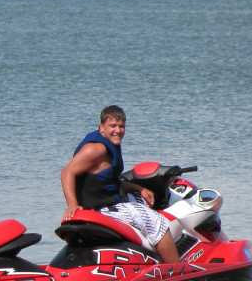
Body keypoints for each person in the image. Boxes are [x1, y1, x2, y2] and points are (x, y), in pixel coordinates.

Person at [60, 105, 181, 264]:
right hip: (104, 209)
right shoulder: (97, 149)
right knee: (158, 223)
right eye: (113, 126)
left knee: (141, 201)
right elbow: (66, 173)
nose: (118, 130)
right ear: (102, 127)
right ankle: (177, 272)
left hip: (104, 203)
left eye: (121, 126)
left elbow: (107, 181)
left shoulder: (106, 144)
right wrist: (72, 205)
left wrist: (140, 188)